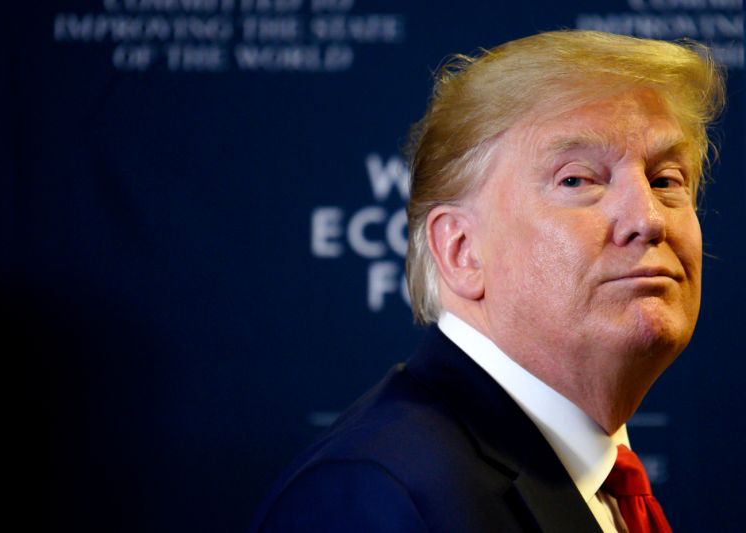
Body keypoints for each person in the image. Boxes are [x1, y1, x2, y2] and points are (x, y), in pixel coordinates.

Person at [251, 30, 725, 532]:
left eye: (666, 180)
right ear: (461, 251)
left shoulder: (600, 479)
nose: (648, 219)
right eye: (577, 180)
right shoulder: (373, 497)